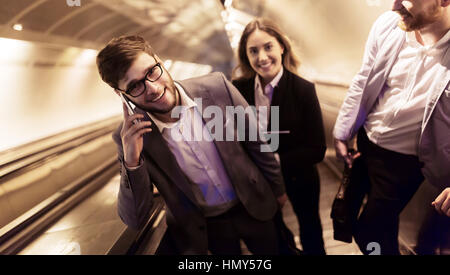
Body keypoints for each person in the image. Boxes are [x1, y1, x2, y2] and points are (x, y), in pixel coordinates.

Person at [96, 35, 288, 255]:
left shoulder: (216, 88)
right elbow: (135, 218)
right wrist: (132, 161)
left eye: (151, 72)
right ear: (121, 94)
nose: (153, 88)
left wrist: (279, 189)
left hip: (254, 205)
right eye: (135, 86)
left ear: (159, 60)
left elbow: (256, 142)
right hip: (206, 228)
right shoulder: (132, 138)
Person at [333, 0, 450, 255]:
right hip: (366, 142)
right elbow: (363, 77)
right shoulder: (388, 25)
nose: (396, 3)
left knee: (368, 233)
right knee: (349, 215)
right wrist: (343, 130)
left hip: (404, 164)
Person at [232, 18, 327, 255]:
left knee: (311, 231)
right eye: (253, 51)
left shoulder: (302, 89)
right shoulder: (238, 90)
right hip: (260, 182)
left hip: (300, 177)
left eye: (268, 47)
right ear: (246, 56)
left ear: (281, 47)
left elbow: (317, 149)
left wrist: (273, 162)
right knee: (275, 237)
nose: (262, 57)